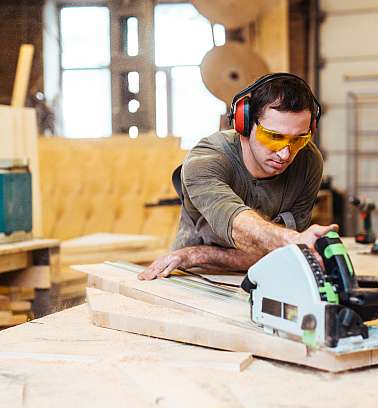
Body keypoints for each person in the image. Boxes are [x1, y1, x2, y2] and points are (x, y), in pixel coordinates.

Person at [138, 73, 338, 280]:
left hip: (268, 276)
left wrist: (197, 254)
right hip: (197, 278)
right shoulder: (206, 160)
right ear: (244, 124)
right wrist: (292, 241)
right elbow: (237, 224)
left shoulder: (308, 161)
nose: (285, 153)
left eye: (298, 139)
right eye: (274, 137)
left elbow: (283, 254)